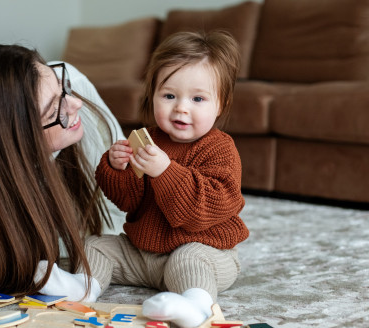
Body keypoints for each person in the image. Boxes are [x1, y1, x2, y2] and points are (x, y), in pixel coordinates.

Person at [37, 31, 250, 328]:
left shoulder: (220, 149)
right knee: (98, 245)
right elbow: (129, 201)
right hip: (145, 254)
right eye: (169, 96)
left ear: (221, 104)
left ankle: (196, 306)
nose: (181, 108)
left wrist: (166, 172)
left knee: (188, 260)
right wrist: (116, 167)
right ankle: (83, 287)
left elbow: (200, 212)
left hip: (206, 252)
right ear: (153, 96)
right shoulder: (149, 140)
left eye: (198, 98)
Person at [0, 44, 125, 297]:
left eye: (65, 89)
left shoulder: (67, 79)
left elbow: (127, 210)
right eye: (54, 110)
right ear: (17, 140)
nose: (76, 104)